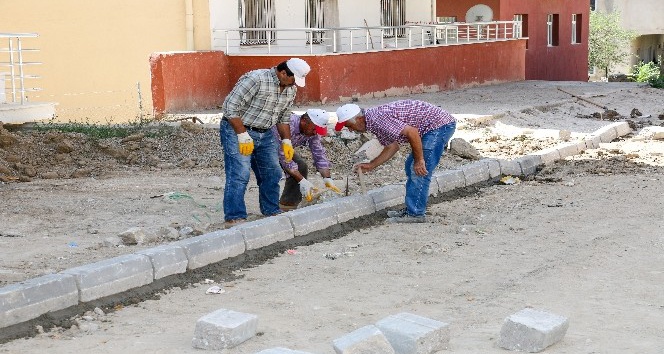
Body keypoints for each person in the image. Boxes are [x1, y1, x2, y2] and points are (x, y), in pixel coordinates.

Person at [220, 58, 310, 226]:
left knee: (273, 173)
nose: (294, 84)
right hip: (236, 129)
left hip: (265, 132)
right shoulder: (256, 79)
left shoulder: (291, 90)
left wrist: (286, 141)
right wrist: (242, 134)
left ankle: (270, 210)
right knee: (240, 173)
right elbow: (230, 107)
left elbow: (283, 116)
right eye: (293, 79)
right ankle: (234, 216)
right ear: (283, 73)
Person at [335, 100, 456, 223]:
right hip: (433, 126)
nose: (350, 130)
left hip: (439, 125)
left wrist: (419, 160)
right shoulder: (373, 123)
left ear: (359, 119)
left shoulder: (378, 119)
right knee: (410, 166)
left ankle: (416, 214)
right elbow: (392, 147)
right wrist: (372, 165)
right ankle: (412, 209)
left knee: (418, 171)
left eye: (349, 126)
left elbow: (412, 132)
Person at [273, 109, 342, 211]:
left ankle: (288, 205)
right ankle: (270, 209)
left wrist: (328, 179)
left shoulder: (312, 131)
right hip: (265, 146)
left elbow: (318, 153)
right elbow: (284, 159)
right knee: (272, 171)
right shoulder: (287, 125)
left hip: (284, 149)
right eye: (314, 129)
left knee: (301, 166)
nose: (315, 132)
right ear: (304, 121)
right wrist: (302, 182)